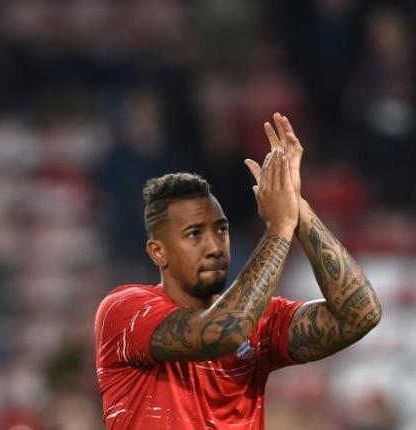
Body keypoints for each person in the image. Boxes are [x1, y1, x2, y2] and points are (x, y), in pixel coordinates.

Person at [94, 113, 382, 429]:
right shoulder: (125, 310)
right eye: (194, 234)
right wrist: (279, 227)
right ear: (158, 251)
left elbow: (360, 314)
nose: (214, 245)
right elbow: (223, 333)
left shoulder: (261, 322)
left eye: (221, 230)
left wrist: (296, 206)